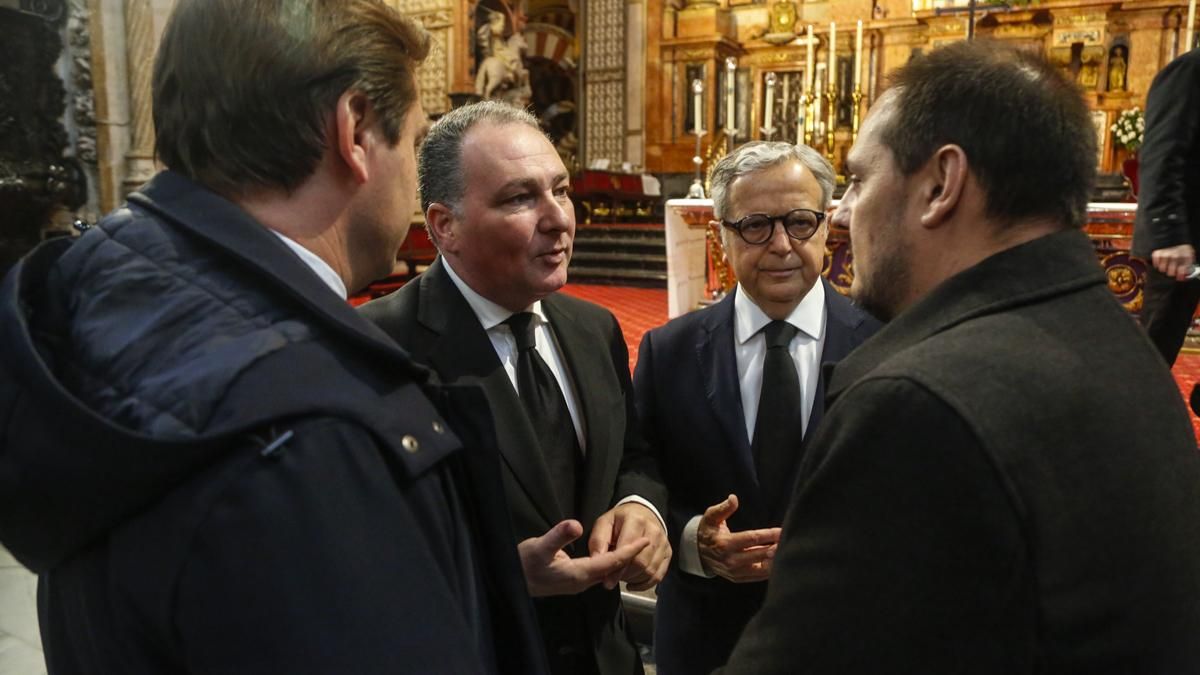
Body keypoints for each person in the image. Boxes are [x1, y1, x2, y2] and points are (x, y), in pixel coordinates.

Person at [0, 2, 549, 673]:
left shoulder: (88, 289)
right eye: (411, 138)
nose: (410, 176)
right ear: (353, 131)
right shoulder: (319, 427)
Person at [719, 40, 1200, 674]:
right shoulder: (1115, 343)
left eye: (860, 180)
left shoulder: (917, 405)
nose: (840, 213)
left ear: (942, 184)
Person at [361, 100, 670, 675]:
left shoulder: (592, 328)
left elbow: (634, 455)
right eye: (520, 198)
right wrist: (497, 574)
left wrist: (641, 506)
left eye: (561, 189)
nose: (559, 218)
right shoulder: (378, 348)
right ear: (443, 226)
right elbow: (357, 549)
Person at [632, 141, 878, 675]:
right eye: (756, 225)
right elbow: (638, 471)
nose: (782, 245)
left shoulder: (883, 346)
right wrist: (694, 537)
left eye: (800, 221)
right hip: (705, 636)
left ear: (827, 223)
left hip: (844, 637)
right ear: (722, 232)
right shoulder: (668, 352)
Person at [1132, 48, 1200, 370]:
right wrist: (1167, 234)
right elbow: (1162, 154)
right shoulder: (1191, 69)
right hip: (1184, 244)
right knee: (1151, 357)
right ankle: (1125, 419)